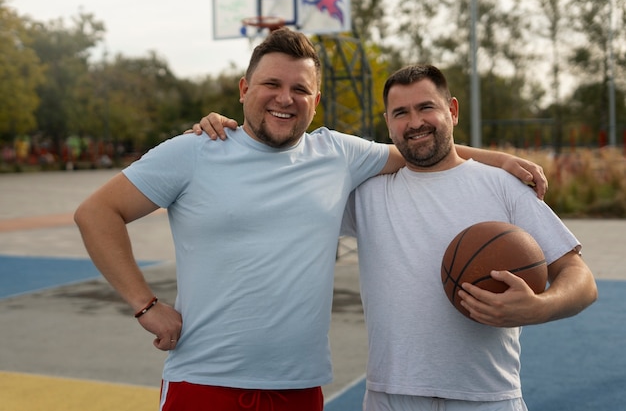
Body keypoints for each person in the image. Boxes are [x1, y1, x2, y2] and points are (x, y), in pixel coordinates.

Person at [75, 27, 545, 411]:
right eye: (271, 85)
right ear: (244, 91)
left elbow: (419, 146)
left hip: (299, 388)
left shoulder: (337, 153)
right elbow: (96, 213)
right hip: (204, 380)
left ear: (315, 101)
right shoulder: (194, 151)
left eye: (300, 89)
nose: (285, 98)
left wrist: (499, 160)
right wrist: (144, 305)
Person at [339, 65, 597, 410]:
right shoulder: (367, 192)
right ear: (388, 123)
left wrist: (538, 307)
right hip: (390, 396)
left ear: (453, 111)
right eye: (401, 113)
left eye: (426, 107)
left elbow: (580, 278)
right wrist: (240, 138)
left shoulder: (504, 185)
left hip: (486, 396)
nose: (414, 122)